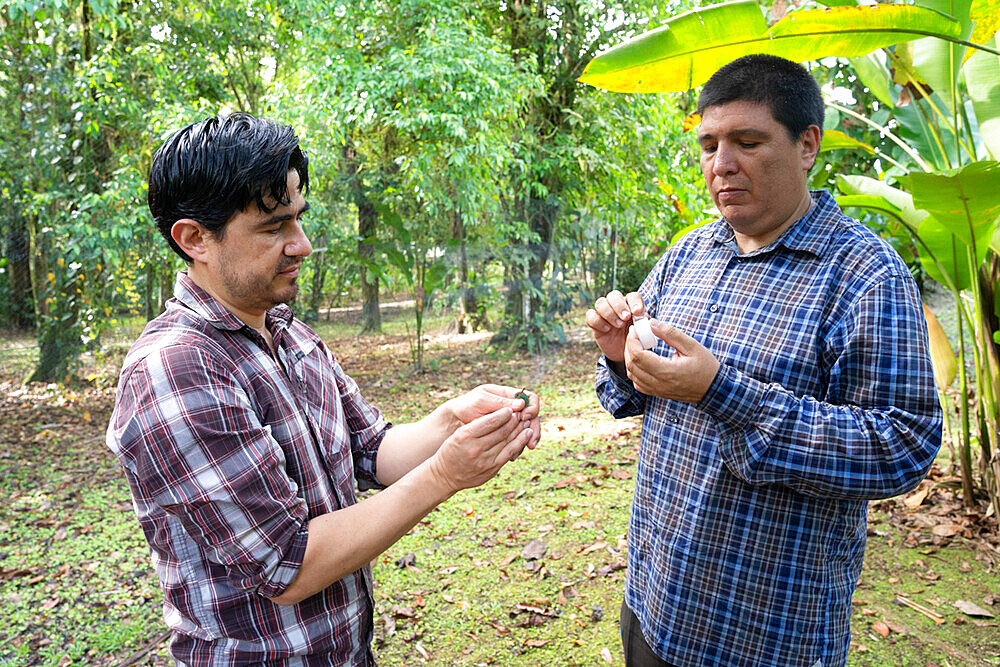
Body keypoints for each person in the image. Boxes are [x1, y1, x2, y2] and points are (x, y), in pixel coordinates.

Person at [105, 113, 541, 666]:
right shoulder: (176, 370)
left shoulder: (290, 334)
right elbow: (288, 564)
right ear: (195, 240)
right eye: (273, 228)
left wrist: (450, 422)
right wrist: (445, 475)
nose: (302, 245)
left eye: (299, 220)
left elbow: (372, 451)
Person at [586, 54, 941, 667]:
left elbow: (903, 447)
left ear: (807, 145)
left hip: (766, 632)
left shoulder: (865, 276)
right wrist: (622, 361)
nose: (721, 164)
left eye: (747, 142)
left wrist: (721, 391)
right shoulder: (690, 254)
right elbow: (636, 396)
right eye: (709, 144)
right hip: (653, 598)